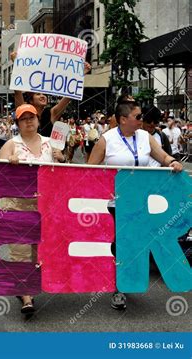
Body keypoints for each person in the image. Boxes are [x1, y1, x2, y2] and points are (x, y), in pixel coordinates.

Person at [88, 101, 183, 310]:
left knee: (134, 244)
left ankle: (124, 279)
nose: (142, 120)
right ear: (124, 119)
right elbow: (88, 170)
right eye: (138, 116)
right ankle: (119, 288)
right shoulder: (107, 140)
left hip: (140, 203)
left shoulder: (145, 137)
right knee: (123, 244)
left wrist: (172, 162)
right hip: (115, 204)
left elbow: (163, 156)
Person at [0, 104, 65, 314]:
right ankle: (26, 296)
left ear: (38, 120)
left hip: (45, 204)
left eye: (32, 117)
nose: (29, 121)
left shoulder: (50, 143)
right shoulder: (11, 144)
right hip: (18, 204)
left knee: (39, 248)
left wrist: (61, 158)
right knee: (20, 249)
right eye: (23, 118)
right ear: (17, 123)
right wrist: (9, 163)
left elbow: (63, 172)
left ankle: (26, 283)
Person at [11, 52, 91, 137]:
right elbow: (17, 92)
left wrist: (81, 75)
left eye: (44, 94)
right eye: (38, 94)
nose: (42, 96)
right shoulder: (24, 111)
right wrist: (16, 65)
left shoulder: (51, 113)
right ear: (31, 100)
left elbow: (69, 95)